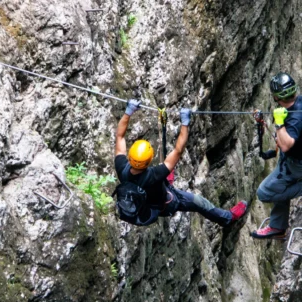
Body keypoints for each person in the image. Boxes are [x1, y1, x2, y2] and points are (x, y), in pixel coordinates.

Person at [114, 99, 247, 226]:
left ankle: (167, 183)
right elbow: (178, 150)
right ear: (149, 161)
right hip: (166, 204)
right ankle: (227, 218)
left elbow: (120, 136)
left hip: (145, 202)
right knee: (199, 202)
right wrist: (185, 123)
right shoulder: (155, 175)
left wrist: (128, 112)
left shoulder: (121, 168)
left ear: (130, 156)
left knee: (166, 170)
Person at [251, 72, 302, 239]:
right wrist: (264, 123)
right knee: (278, 184)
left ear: (276, 97)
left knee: (265, 192)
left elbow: (286, 144)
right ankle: (278, 226)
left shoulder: (294, 119)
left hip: (296, 164)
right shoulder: (298, 104)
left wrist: (279, 123)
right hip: (290, 161)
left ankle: (277, 226)